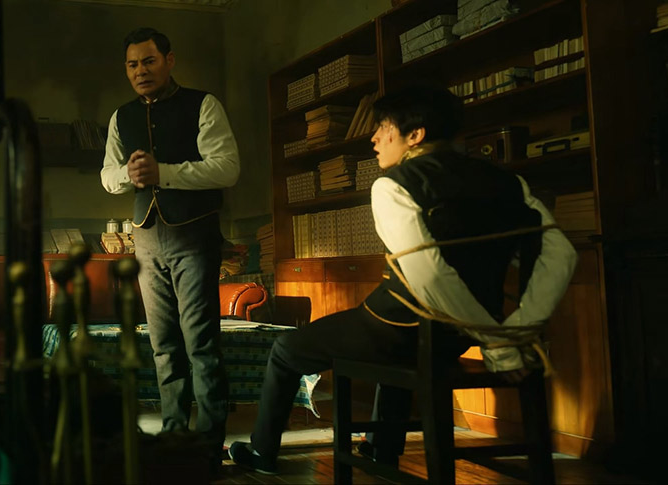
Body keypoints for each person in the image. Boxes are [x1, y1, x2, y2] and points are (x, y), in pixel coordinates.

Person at [228, 86, 578, 474]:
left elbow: (432, 278)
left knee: (286, 348)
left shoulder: (393, 185)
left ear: (416, 135)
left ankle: (262, 453)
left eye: (384, 127)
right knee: (393, 343)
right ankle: (381, 446)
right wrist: (515, 331)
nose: (374, 138)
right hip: (460, 337)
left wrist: (500, 343)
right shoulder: (509, 182)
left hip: (405, 327)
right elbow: (562, 255)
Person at [100, 27, 240, 451]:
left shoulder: (203, 104)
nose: (140, 71)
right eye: (132, 64)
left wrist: (165, 172)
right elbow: (108, 176)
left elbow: (227, 167)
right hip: (145, 240)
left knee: (201, 343)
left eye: (149, 61)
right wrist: (129, 175)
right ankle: (174, 438)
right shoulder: (121, 116)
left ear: (169, 60)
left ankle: (209, 446)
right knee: (163, 345)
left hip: (194, 237)